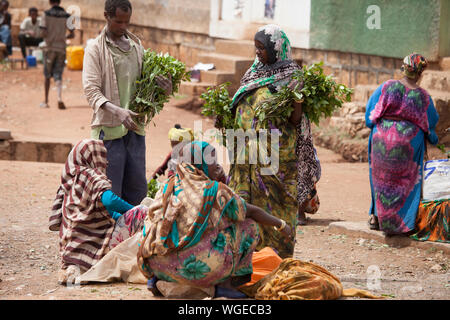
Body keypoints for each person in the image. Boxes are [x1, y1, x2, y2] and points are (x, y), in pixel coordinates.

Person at [137, 141, 294, 292]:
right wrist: (281, 224)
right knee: (249, 225)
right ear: (200, 164)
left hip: (157, 266)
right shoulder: (214, 190)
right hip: (193, 272)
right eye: (212, 160)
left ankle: (157, 280)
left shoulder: (168, 186)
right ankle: (229, 285)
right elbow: (251, 211)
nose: (217, 164)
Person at [83, 0, 172, 206]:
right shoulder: (95, 49)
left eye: (127, 22)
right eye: (118, 21)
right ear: (106, 16)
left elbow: (146, 89)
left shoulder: (136, 47)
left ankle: (133, 236)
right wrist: (118, 112)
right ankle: (111, 237)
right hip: (109, 132)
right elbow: (91, 90)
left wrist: (164, 87)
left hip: (135, 130)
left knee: (137, 192)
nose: (123, 26)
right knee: (111, 195)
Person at [226, 24, 305, 258]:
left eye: (262, 48)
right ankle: (248, 258)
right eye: (256, 47)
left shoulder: (292, 76)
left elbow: (295, 119)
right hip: (246, 154)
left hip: (277, 157)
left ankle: (277, 257)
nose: (258, 52)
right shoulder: (252, 73)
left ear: (277, 48)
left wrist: (298, 98)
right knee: (245, 203)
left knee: (278, 203)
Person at [49, 139, 148, 284]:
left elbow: (101, 210)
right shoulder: (91, 176)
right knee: (143, 211)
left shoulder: (70, 180)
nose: (106, 162)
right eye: (103, 156)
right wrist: (133, 211)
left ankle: (76, 268)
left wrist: (121, 217)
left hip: (71, 250)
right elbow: (110, 201)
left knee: (127, 217)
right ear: (93, 156)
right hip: (96, 245)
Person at [365, 53, 439, 235]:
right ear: (421, 73)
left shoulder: (386, 86)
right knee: (405, 182)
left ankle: (376, 217)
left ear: (403, 68)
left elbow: (370, 116)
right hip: (409, 144)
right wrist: (434, 139)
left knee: (380, 179)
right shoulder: (423, 96)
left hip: (381, 139)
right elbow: (431, 123)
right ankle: (404, 224)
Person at [39, 0, 75, 109]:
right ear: (59, 2)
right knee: (58, 74)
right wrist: (63, 37)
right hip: (61, 48)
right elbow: (72, 34)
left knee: (47, 75)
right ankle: (59, 98)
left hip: (49, 48)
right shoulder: (67, 15)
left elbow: (43, 32)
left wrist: (48, 36)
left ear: (50, 2)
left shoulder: (46, 14)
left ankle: (46, 101)